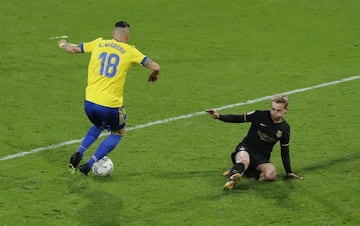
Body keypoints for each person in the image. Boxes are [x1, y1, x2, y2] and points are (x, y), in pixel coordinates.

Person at [57, 20, 160, 176]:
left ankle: (79, 151)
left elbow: (72, 49)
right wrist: (154, 74)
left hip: (90, 102)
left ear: (112, 34)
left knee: (99, 125)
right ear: (127, 37)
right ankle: (89, 164)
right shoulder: (130, 50)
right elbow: (155, 66)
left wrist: (63, 44)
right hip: (110, 105)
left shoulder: (98, 43)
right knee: (118, 133)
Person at [206, 94, 302, 190]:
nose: (274, 112)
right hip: (245, 149)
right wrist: (219, 116)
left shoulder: (284, 128)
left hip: (261, 158)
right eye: (273, 109)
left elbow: (284, 151)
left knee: (271, 174)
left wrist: (289, 172)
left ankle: (241, 170)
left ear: (285, 110)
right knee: (244, 160)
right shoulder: (259, 115)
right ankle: (232, 179)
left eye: (278, 110)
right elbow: (238, 118)